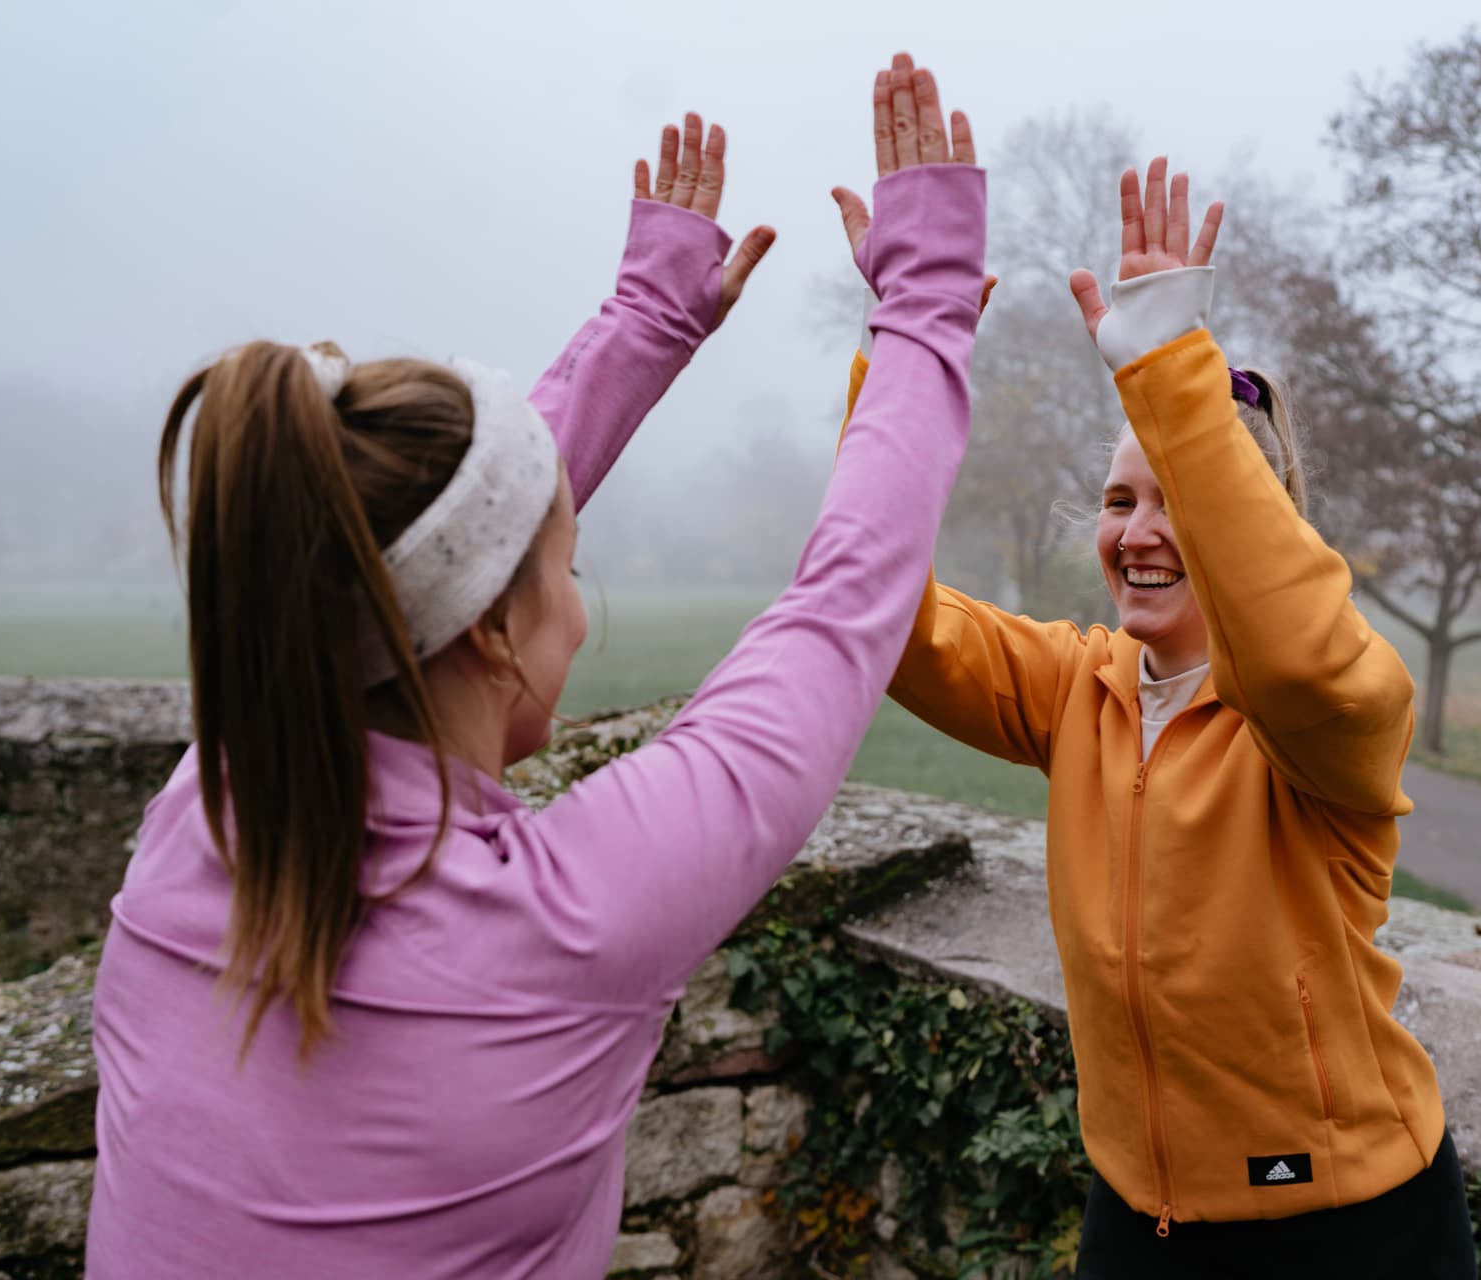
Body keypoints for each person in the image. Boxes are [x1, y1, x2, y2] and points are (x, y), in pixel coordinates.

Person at [88, 57, 986, 1280]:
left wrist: (647, 322)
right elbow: (844, 602)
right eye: (567, 569)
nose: (579, 607)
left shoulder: (200, 817)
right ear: (491, 632)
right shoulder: (564, 925)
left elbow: (406, 551)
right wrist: (928, 301)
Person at [833, 159, 1477, 1277]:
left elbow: (1300, 660)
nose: (1137, 529)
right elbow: (880, 612)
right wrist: (907, 351)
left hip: (1350, 1225)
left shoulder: (1334, 716)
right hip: (1139, 1216)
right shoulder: (1077, 686)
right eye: (1120, 499)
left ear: (1248, 529)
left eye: (1177, 502)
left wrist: (1170, 371)